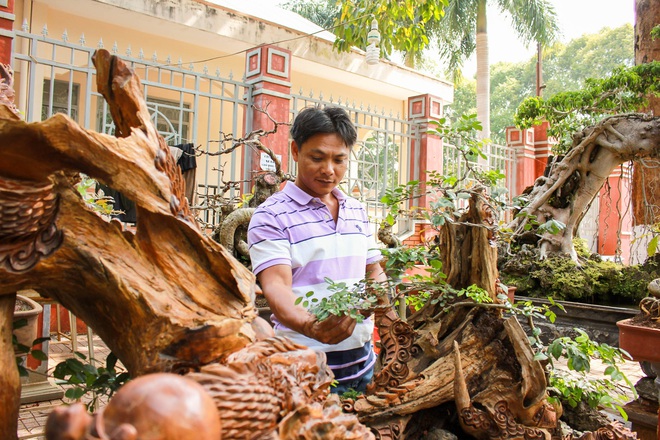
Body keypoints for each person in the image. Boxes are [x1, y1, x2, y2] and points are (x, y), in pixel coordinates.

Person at [247, 106, 386, 394]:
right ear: (296, 151)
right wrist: (312, 325)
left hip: (364, 364)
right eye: (317, 157)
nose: (329, 170)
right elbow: (276, 288)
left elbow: (374, 271)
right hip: (304, 371)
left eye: (339, 160)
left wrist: (383, 310)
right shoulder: (270, 216)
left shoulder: (357, 211)